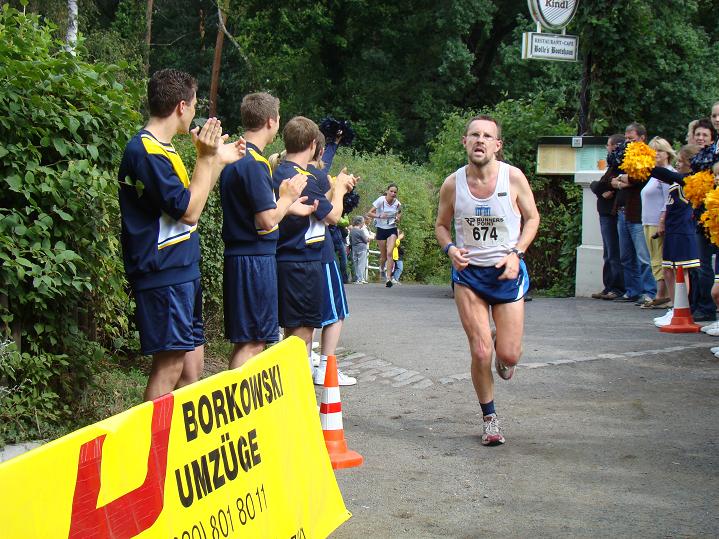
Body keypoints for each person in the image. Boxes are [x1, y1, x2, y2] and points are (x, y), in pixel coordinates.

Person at [118, 68, 244, 401]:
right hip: (163, 273)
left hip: (182, 269)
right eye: (194, 105)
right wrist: (206, 159)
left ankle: (171, 446)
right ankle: (150, 450)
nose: (194, 112)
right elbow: (189, 213)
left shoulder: (165, 148)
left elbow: (192, 200)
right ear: (180, 107)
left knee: (191, 369)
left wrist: (216, 161)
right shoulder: (145, 152)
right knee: (171, 365)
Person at [435, 114, 540, 446]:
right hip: (469, 276)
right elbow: (441, 225)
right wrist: (450, 248)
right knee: (481, 351)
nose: (479, 140)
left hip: (506, 272)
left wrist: (517, 253)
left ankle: (502, 346)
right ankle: (490, 419)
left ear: (498, 145)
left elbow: (533, 218)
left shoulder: (514, 178)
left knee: (507, 356)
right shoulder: (453, 184)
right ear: (465, 142)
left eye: (486, 136)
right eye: (474, 135)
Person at [219, 92, 311, 369]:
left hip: (241, 256)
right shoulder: (255, 163)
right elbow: (267, 221)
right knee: (253, 341)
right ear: (271, 121)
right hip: (253, 260)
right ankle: (238, 408)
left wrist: (288, 205)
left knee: (249, 339)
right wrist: (286, 197)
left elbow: (254, 208)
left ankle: (241, 407)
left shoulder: (237, 155)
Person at [272, 117, 356, 371]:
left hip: (288, 258)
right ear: (312, 144)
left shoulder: (279, 170)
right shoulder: (303, 176)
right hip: (302, 262)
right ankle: (297, 395)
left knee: (293, 335)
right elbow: (333, 217)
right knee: (302, 336)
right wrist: (340, 189)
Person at [308, 134, 357, 386]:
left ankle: (305, 364)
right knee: (336, 313)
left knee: (305, 317)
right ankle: (325, 368)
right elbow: (332, 215)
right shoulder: (312, 176)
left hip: (300, 256)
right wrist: (338, 190)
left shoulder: (284, 172)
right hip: (320, 252)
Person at [648, 145, 701, 327]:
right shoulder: (678, 180)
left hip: (683, 231)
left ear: (690, 163)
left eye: (681, 161)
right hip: (672, 230)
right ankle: (674, 307)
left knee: (681, 271)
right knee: (669, 271)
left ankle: (683, 308)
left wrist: (648, 167)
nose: (678, 164)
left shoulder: (691, 180)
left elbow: (668, 175)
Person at [611, 123, 657, 305]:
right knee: (626, 256)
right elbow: (612, 179)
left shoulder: (647, 155)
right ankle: (633, 290)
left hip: (638, 213)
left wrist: (623, 180)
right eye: (627, 139)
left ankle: (649, 291)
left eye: (632, 138)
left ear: (642, 137)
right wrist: (622, 181)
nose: (628, 142)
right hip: (622, 210)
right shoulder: (625, 156)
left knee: (643, 256)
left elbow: (639, 178)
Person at [688, 118, 717, 322]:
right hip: (699, 215)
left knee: (706, 265)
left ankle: (708, 307)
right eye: (697, 134)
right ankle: (699, 304)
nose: (700, 138)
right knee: (699, 264)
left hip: (712, 215)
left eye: (704, 135)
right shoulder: (696, 157)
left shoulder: (712, 157)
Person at [589, 134, 625, 300]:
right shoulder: (611, 167)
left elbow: (606, 183)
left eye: (609, 145)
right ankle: (608, 285)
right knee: (608, 252)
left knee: (614, 251)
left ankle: (616, 287)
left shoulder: (619, 167)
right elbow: (597, 184)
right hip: (604, 213)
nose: (607, 149)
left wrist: (604, 186)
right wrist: (602, 188)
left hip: (612, 213)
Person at [640, 137, 674, 308]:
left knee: (659, 258)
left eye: (659, 151)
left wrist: (662, 221)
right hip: (647, 220)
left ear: (667, 153)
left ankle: (662, 294)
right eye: (653, 151)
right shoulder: (655, 174)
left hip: (657, 221)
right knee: (654, 258)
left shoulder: (667, 174)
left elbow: (668, 200)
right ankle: (661, 294)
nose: (656, 155)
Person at [367, 184, 402, 287]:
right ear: (387, 191)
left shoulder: (397, 203)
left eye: (395, 192)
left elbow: (400, 213)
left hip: (392, 229)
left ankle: (388, 278)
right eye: (391, 191)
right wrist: (379, 216)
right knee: (383, 256)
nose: (393, 194)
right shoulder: (381, 200)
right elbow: (369, 213)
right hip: (381, 229)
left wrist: (398, 218)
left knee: (390, 252)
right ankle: (381, 268)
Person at [350, 215, 372, 283]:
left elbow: (350, 240)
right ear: (360, 223)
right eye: (363, 222)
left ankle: (358, 278)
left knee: (356, 263)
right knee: (361, 264)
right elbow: (366, 240)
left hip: (354, 248)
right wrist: (370, 238)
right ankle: (360, 278)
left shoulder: (352, 230)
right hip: (362, 248)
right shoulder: (361, 231)